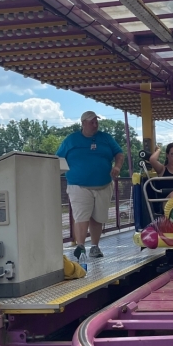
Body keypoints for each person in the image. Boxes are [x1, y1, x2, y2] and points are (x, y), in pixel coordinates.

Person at [56, 111, 124, 261]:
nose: (95, 125)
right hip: (78, 185)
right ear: (83, 123)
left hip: (103, 184)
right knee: (81, 215)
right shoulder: (71, 140)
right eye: (92, 122)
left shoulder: (106, 138)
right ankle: (80, 246)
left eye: (96, 122)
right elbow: (58, 159)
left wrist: (117, 167)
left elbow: (119, 153)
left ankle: (94, 246)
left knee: (98, 217)